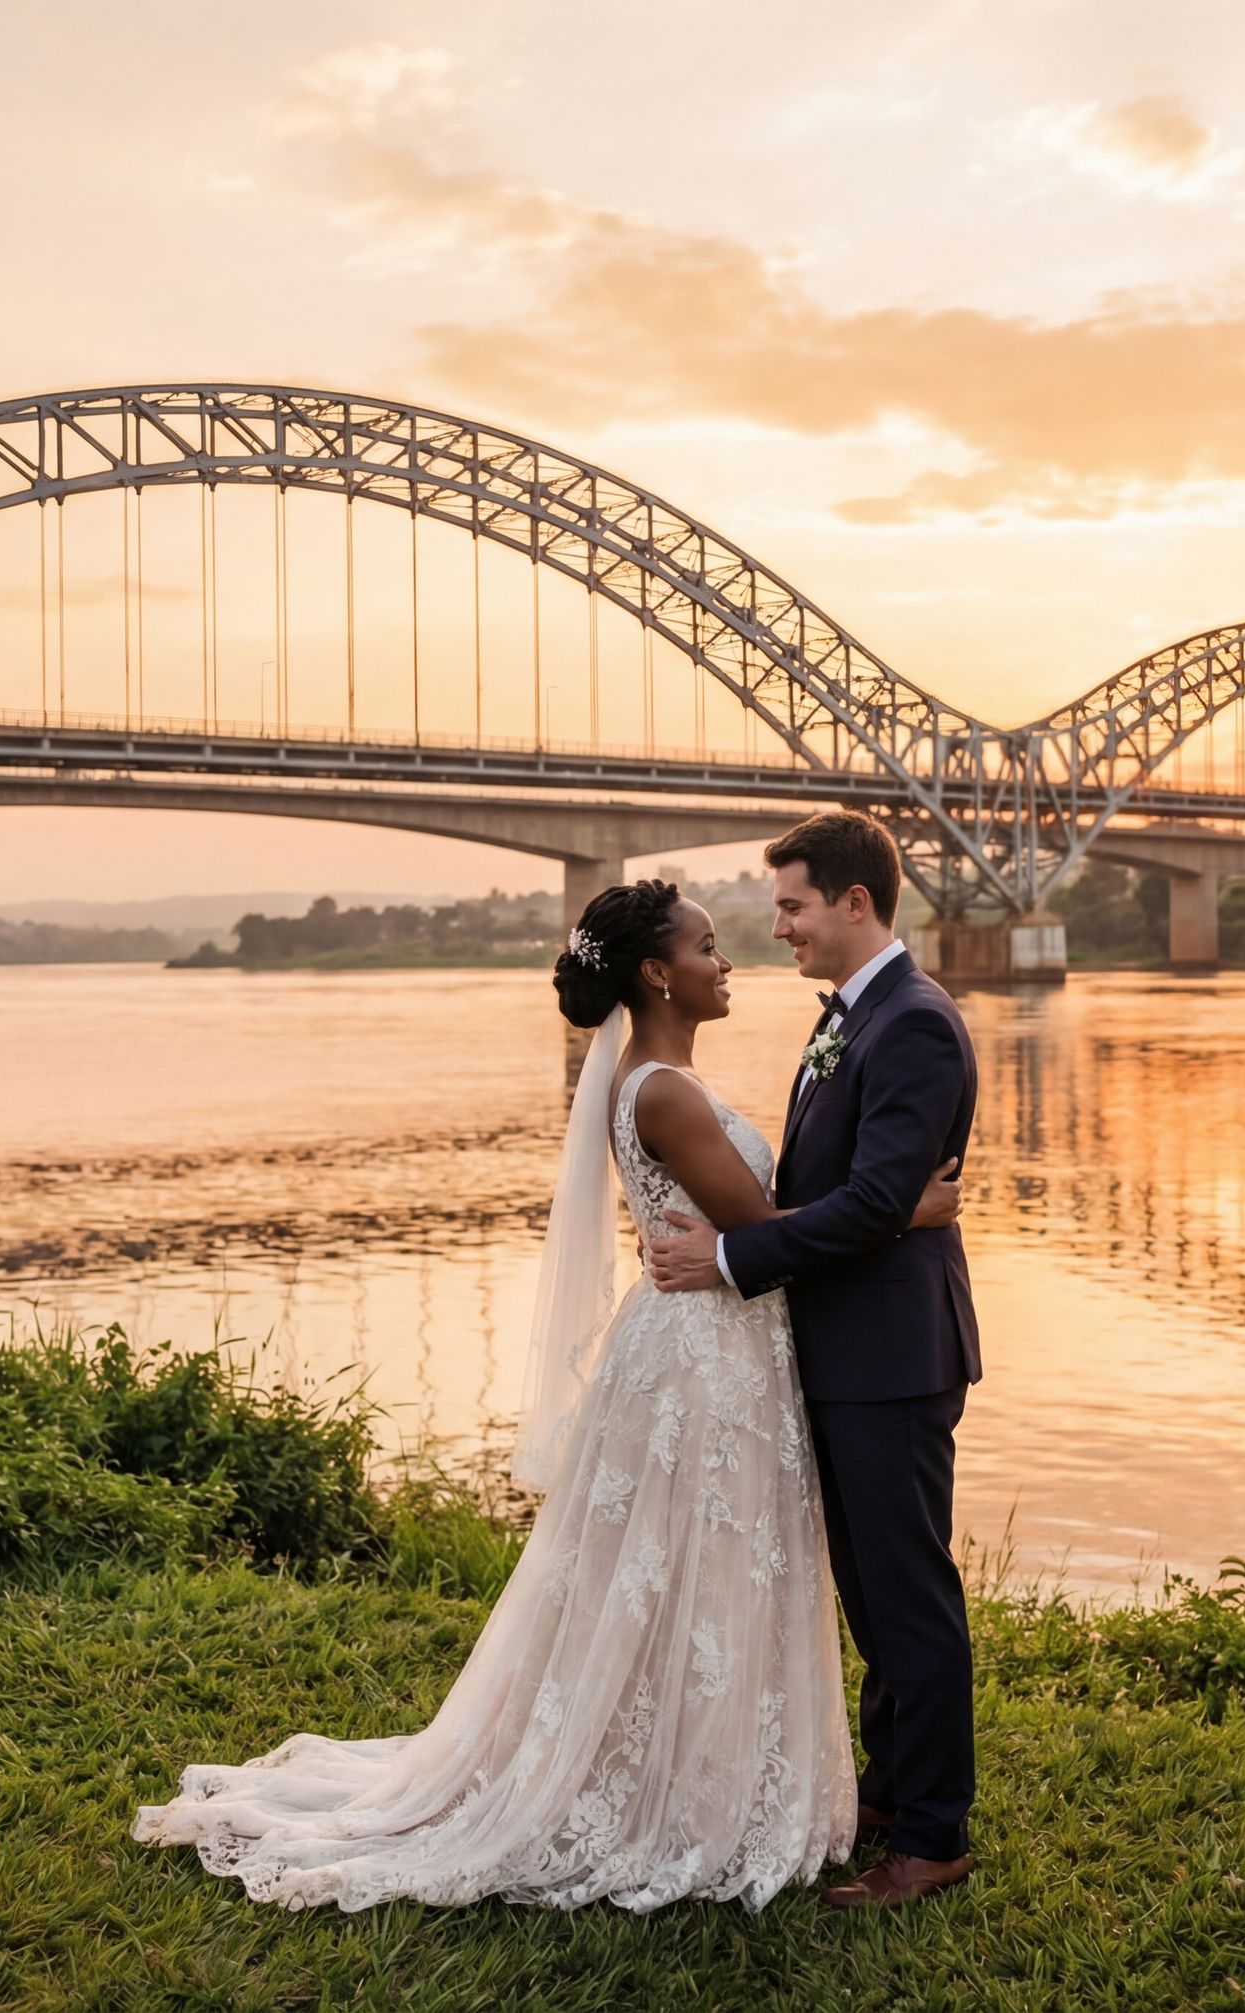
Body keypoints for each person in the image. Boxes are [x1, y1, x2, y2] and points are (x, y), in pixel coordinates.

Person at [134, 876, 961, 1913]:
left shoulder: (653, 1074)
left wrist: (785, 1231)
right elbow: (766, 1223)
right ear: (659, 972)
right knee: (696, 1566)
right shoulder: (660, 1087)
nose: (728, 958)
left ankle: (711, 1772)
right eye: (707, 946)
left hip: (709, 1342)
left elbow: (758, 1226)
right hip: (703, 1359)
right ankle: (682, 1793)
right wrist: (908, 1213)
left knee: (689, 1574)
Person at [643, 808, 984, 1911]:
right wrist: (889, 1215)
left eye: (791, 905)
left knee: (908, 1595)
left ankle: (932, 1839)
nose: (776, 926)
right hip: (846, 1350)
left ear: (853, 902)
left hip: (890, 1355)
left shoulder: (913, 1025)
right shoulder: (851, 1017)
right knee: (871, 1597)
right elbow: (870, 1200)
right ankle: (890, 1788)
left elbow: (879, 1198)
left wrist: (736, 1253)